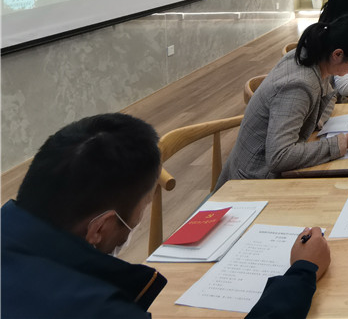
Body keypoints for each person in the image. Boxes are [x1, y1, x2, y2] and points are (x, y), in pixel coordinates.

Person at [2, 113, 331, 319]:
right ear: (100, 228)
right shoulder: (99, 309)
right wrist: (302, 273)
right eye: (143, 206)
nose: (139, 218)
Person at [217, 14, 348, 185]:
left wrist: (318, 125)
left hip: (269, 168)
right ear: (338, 54)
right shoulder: (298, 86)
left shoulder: (316, 57)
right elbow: (279, 157)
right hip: (253, 181)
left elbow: (329, 97)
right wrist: (345, 142)